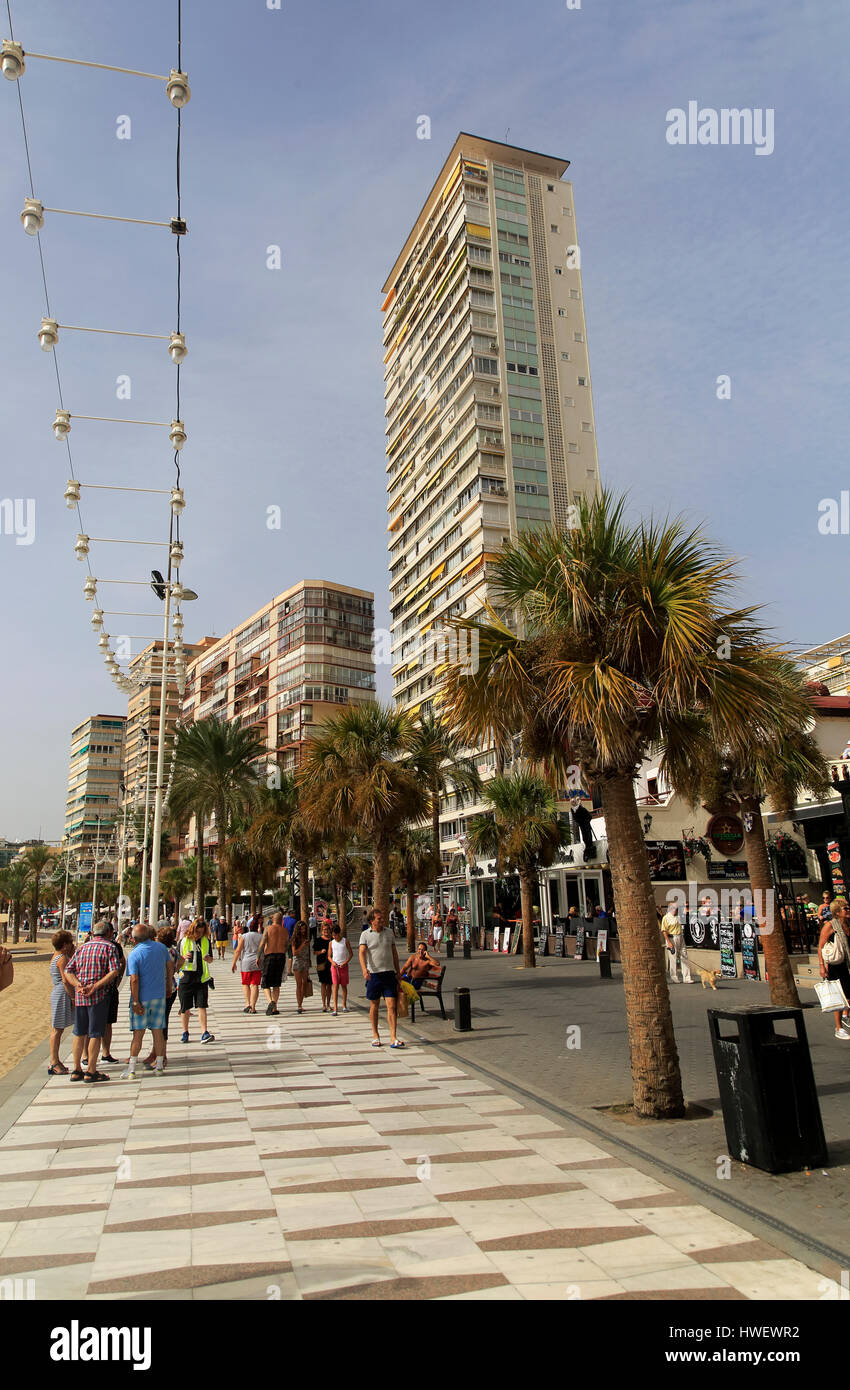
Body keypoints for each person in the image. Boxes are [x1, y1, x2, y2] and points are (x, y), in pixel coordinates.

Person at [64, 919, 123, 1083]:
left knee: (79, 1032)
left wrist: (79, 985)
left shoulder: (83, 947)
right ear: (108, 933)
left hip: (81, 996)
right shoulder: (109, 947)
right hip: (98, 996)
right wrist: (95, 986)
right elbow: (114, 971)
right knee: (96, 1033)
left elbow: (68, 970)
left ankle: (76, 1069)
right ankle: (91, 1070)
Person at [122, 924, 173, 1078]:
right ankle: (159, 1066)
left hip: (142, 998)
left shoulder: (134, 954)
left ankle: (131, 1069)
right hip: (159, 996)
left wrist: (135, 1001)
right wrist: (168, 985)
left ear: (134, 939)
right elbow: (170, 965)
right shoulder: (161, 948)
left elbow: (134, 979)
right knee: (158, 1031)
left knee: (138, 1034)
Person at [359, 907, 403, 1048]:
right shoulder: (365, 935)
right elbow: (361, 953)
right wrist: (364, 969)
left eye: (382, 918)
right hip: (374, 975)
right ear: (372, 921)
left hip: (389, 973)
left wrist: (398, 971)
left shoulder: (389, 933)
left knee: (391, 1005)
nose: (382, 920)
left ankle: (393, 1037)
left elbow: (394, 953)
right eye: (379, 919)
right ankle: (375, 1035)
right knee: (374, 1005)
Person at [143, 925, 180, 1070]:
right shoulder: (173, 950)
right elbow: (181, 961)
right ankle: (155, 1052)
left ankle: (161, 1055)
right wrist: (173, 973)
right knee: (160, 1022)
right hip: (170, 988)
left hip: (162, 990)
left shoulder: (160, 951)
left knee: (160, 1023)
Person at [179, 918, 215, 1042]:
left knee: (202, 1006)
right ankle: (185, 1032)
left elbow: (211, 959)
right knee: (185, 1007)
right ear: (192, 930)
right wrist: (183, 958)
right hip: (186, 977)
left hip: (201, 978)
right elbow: (176, 961)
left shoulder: (205, 941)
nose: (199, 935)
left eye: (202, 932)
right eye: (197, 932)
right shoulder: (184, 941)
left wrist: (208, 958)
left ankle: (204, 1032)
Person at [818, 902, 850, 1040]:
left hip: (847, 963)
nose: (848, 910)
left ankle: (845, 1015)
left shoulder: (846, 924)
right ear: (837, 912)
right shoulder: (830, 926)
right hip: (836, 964)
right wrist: (821, 966)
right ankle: (839, 1028)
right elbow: (820, 947)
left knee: (848, 994)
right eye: (846, 908)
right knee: (838, 995)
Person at [48, 930, 76, 1075]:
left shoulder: (58, 956)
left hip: (58, 992)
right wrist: (72, 997)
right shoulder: (62, 959)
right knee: (57, 1029)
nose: (72, 944)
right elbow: (66, 980)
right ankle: (53, 1062)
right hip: (62, 994)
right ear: (64, 945)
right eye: (70, 942)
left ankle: (56, 1061)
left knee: (57, 1028)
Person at [100, 923, 126, 1065]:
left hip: (91, 989)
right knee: (107, 1023)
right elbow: (122, 963)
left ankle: (86, 1057)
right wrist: (118, 979)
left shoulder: (86, 945)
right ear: (110, 932)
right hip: (109, 988)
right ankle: (105, 1053)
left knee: (90, 1024)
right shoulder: (114, 946)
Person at [259, 910, 290, 1015]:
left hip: (270, 956)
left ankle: (270, 1002)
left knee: (265, 983)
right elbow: (287, 945)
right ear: (281, 921)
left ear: (272, 919)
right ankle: (274, 1007)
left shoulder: (268, 929)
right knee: (276, 984)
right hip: (281, 956)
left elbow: (263, 943)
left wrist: (258, 956)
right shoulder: (285, 931)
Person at [232, 916, 263, 1013]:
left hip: (246, 962)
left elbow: (238, 950)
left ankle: (247, 1003)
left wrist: (234, 963)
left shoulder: (244, 936)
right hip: (257, 962)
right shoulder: (261, 936)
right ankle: (253, 1007)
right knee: (255, 985)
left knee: (245, 983)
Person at [660, 903, 693, 983]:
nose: (676, 910)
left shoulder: (678, 916)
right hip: (671, 938)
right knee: (673, 958)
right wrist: (669, 943)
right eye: (675, 908)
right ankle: (674, 977)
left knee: (684, 956)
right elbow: (664, 931)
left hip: (680, 936)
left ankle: (687, 977)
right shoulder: (666, 917)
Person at [330, 923, 352, 1015]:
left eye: (336, 935)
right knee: (335, 986)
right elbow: (329, 956)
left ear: (339, 933)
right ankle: (335, 1007)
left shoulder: (345, 941)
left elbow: (351, 954)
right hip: (335, 967)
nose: (334, 937)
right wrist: (332, 962)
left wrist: (345, 962)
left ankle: (344, 1005)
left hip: (343, 966)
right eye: (333, 935)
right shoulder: (331, 943)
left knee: (343, 986)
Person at [290, 921, 311, 1014]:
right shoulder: (295, 939)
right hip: (298, 962)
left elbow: (308, 951)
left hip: (305, 962)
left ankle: (301, 1003)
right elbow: (294, 953)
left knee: (304, 983)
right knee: (299, 984)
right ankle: (299, 1005)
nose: (303, 930)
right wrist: (302, 945)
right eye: (301, 929)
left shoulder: (306, 938)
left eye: (304, 929)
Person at [315, 920, 333, 1012]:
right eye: (324, 929)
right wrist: (320, 952)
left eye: (327, 929)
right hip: (321, 964)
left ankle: (329, 1004)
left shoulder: (332, 940)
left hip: (331, 965)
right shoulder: (318, 940)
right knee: (323, 984)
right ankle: (323, 1004)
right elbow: (314, 952)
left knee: (329, 984)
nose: (326, 931)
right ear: (321, 930)